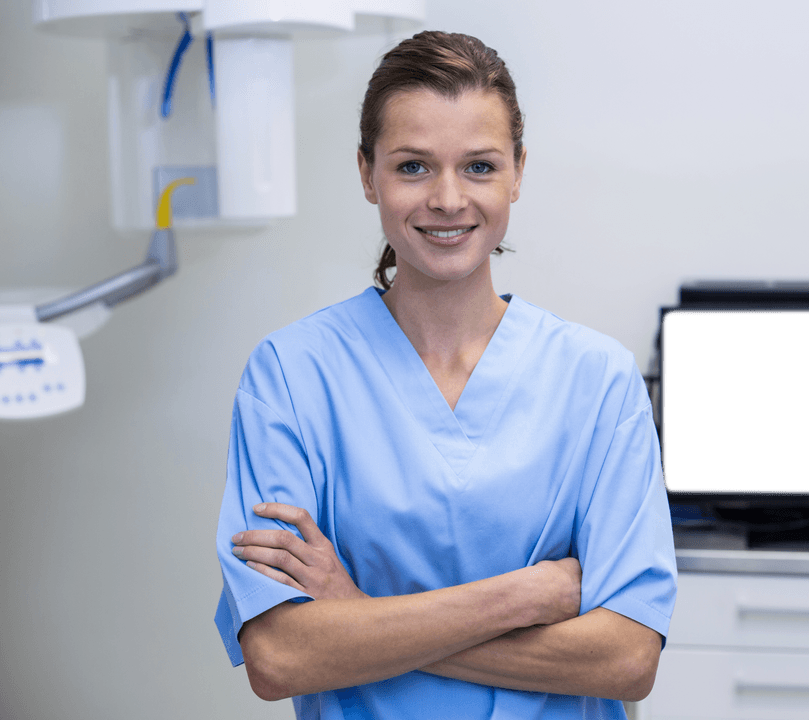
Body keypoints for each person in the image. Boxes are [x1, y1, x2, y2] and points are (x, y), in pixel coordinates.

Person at [214, 30, 677, 720]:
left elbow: (627, 660)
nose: (449, 198)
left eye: (481, 167)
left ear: (519, 171)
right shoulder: (292, 375)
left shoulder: (596, 379)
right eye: (413, 167)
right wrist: (522, 597)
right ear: (367, 173)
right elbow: (281, 656)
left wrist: (361, 616)